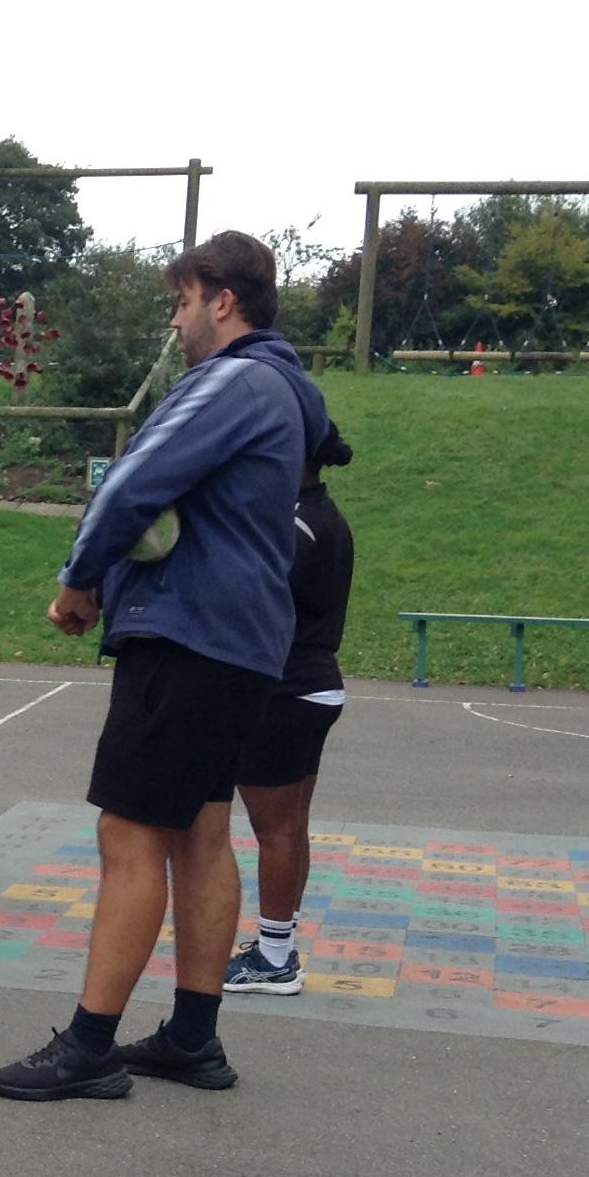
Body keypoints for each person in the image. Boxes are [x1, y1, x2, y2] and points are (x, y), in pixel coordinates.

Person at [0, 231, 330, 1101]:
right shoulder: (286, 391)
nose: (175, 324)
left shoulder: (233, 380)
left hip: (188, 633)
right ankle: (191, 1038)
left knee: (129, 832)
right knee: (201, 833)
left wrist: (80, 580)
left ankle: (90, 1046)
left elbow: (130, 480)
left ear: (222, 299)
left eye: (181, 303)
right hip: (241, 642)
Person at [224, 422, 356, 995]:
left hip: (285, 690)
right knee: (290, 826)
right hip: (313, 686)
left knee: (275, 829)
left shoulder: (297, 524)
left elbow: (248, 598)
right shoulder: (321, 514)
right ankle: (280, 943)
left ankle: (275, 958)